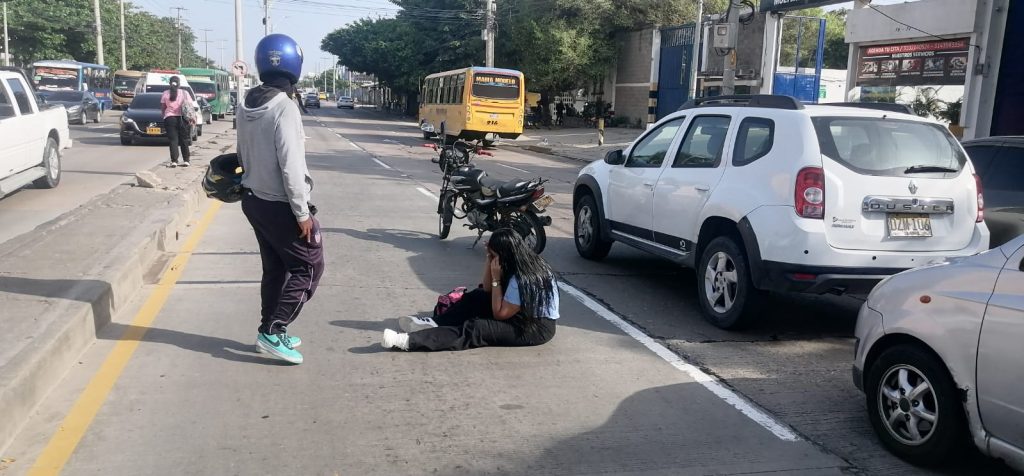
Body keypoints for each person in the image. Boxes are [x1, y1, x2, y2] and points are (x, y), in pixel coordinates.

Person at [237, 33, 325, 365]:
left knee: (276, 268)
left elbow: (241, 151)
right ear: (294, 65)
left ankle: (268, 329)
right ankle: (274, 331)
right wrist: (302, 213)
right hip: (280, 205)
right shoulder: (284, 106)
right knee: (308, 266)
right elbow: (291, 165)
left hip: (254, 199)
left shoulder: (248, 100)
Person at [381, 229, 559, 352]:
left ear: (505, 256)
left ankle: (408, 342)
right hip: (521, 314)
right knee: (477, 296)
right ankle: (436, 323)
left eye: (495, 256)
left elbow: (499, 314)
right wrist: (489, 260)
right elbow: (488, 290)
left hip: (536, 328)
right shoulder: (521, 263)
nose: (493, 259)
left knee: (477, 329)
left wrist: (497, 277)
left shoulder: (521, 278)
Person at [160, 76, 190, 167]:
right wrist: (192, 118)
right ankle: (186, 160)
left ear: (170, 83)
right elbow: (190, 106)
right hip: (183, 119)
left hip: (170, 119)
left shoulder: (165, 93)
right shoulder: (185, 93)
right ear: (179, 84)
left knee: (173, 140)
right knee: (184, 139)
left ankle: (174, 161)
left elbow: (163, 108)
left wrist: (164, 116)